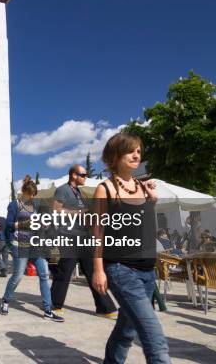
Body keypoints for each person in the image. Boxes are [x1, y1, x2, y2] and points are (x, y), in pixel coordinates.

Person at [91, 132, 170, 363]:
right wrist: (98, 269)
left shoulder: (144, 188)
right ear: (115, 155)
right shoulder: (104, 189)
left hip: (147, 271)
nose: (136, 154)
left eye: (138, 150)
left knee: (126, 331)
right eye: (130, 150)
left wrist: (153, 201)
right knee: (155, 338)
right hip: (121, 270)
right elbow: (97, 233)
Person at [50, 164, 118, 318]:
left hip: (82, 237)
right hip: (68, 236)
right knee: (64, 271)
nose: (85, 177)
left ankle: (104, 307)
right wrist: (78, 212)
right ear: (74, 175)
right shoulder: (62, 190)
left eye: (85, 175)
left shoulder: (79, 192)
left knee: (93, 271)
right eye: (83, 175)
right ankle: (54, 304)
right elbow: (56, 210)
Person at [0, 175, 64, 322]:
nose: (31, 198)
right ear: (23, 192)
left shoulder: (35, 204)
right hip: (19, 244)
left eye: (33, 195)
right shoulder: (14, 205)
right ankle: (6, 300)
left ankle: (48, 310)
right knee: (18, 275)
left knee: (44, 274)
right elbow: (9, 225)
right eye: (29, 195)